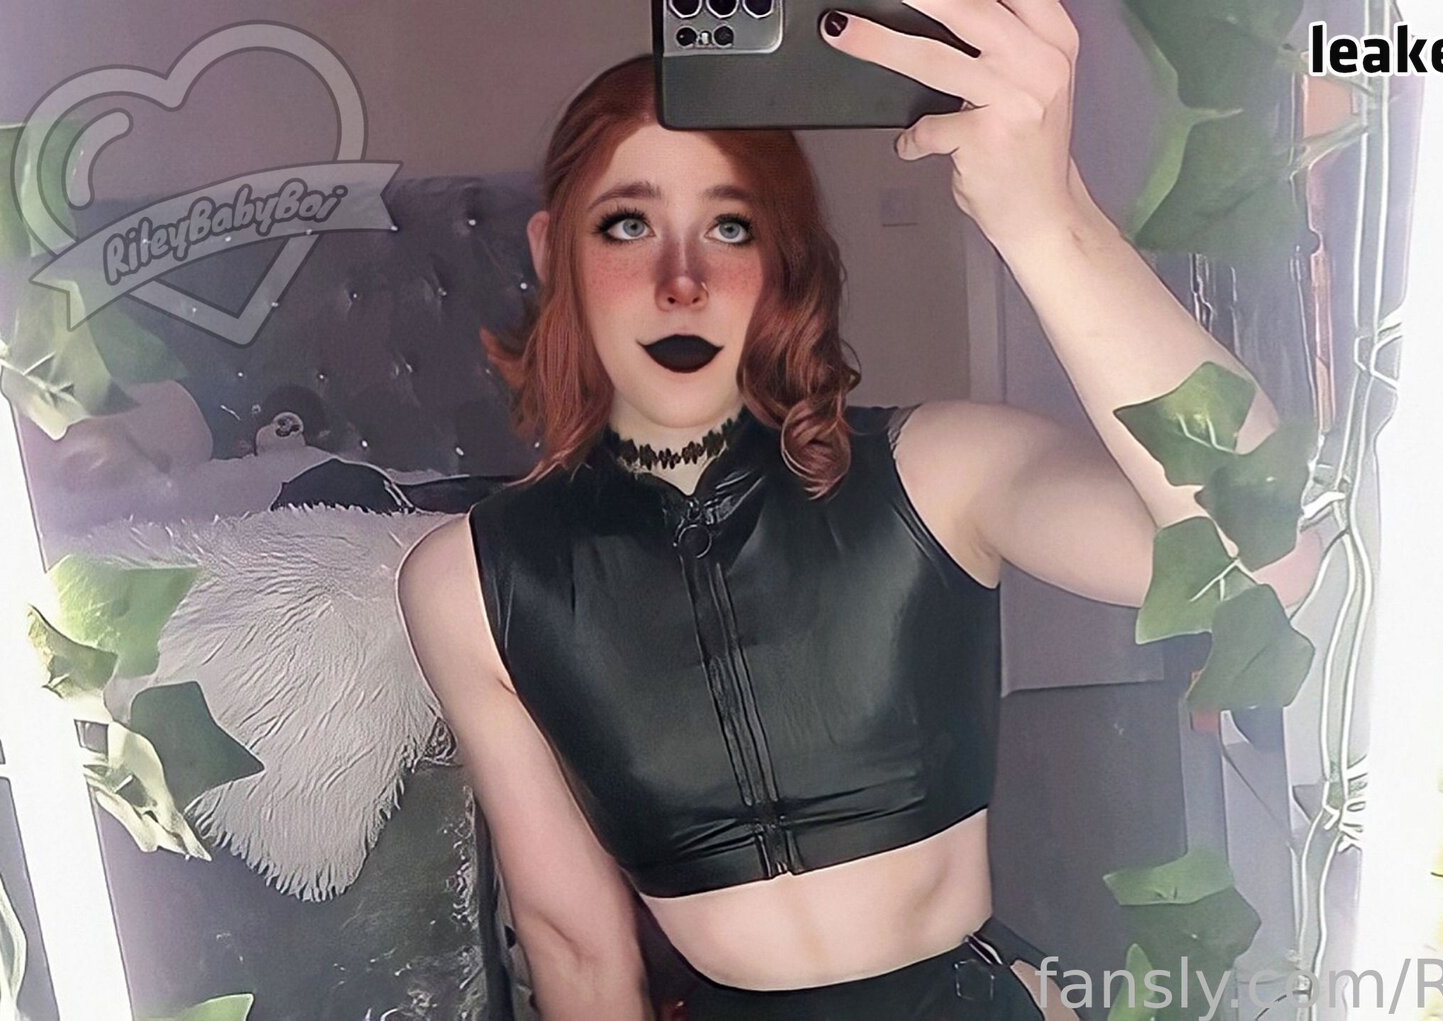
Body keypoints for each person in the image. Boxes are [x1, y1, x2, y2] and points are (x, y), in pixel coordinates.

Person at [398, 3, 1319, 1018]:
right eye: (628, 224)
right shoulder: (468, 582)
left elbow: (1260, 558)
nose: (681, 281)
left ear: (780, 257)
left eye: (729, 225)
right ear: (552, 248)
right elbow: (576, 947)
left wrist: (1047, 218)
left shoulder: (938, 469)